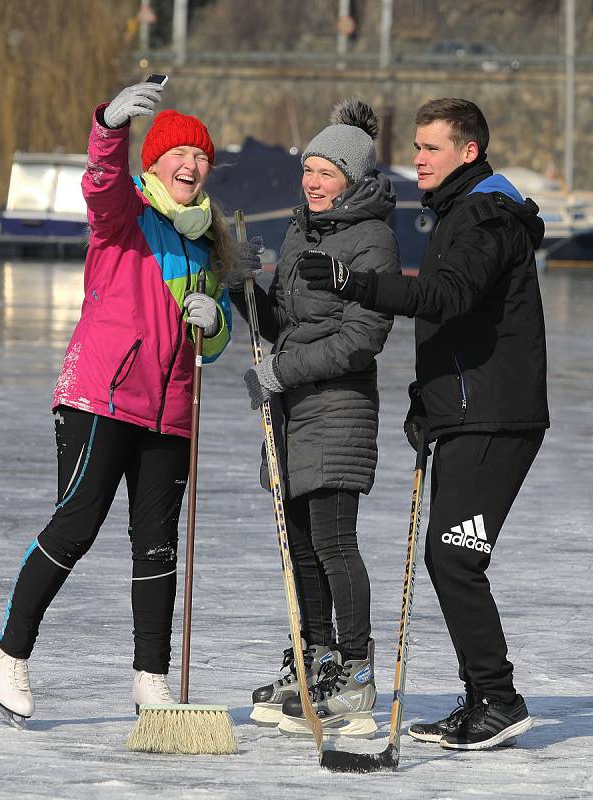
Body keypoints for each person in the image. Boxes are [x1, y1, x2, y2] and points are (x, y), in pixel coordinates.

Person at [0, 79, 236, 723]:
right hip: (102, 396)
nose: (191, 165)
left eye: (201, 157)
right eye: (179, 154)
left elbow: (218, 335)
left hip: (170, 411)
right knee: (77, 523)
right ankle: (8, 653)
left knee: (157, 546)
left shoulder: (208, 242)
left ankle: (151, 680)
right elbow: (99, 182)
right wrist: (109, 126)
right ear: (154, 163)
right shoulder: (127, 216)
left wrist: (216, 319)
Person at [297, 98, 549, 750]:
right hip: (467, 411)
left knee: (454, 558)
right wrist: (428, 399)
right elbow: (457, 326)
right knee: (450, 559)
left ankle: (499, 698)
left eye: (431, 148)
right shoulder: (459, 215)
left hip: (498, 417)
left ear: (467, 152)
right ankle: (481, 699)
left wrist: (355, 282)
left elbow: (445, 298)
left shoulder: (487, 218)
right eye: (415, 146)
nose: (417, 158)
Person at [228, 99, 402, 738]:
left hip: (338, 412)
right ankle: (316, 660)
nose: (312, 182)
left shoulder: (373, 239)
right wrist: (240, 289)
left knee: (333, 543)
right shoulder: (303, 230)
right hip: (291, 413)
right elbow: (282, 326)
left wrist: (282, 373)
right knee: (300, 548)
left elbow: (361, 338)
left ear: (352, 177)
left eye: (325, 172)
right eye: (308, 170)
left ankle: (356, 671)